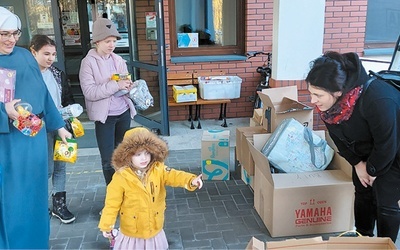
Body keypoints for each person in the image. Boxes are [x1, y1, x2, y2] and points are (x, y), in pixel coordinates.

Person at [305, 51, 400, 242]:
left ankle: (385, 245)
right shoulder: (332, 107)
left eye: (318, 95)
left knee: (386, 199)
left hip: (394, 149)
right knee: (363, 190)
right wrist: (358, 164)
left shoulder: (378, 99)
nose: (312, 100)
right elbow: (338, 138)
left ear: (338, 91)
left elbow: (386, 144)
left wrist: (373, 170)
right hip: (365, 151)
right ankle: (363, 238)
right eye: (311, 93)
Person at [0, 7, 71, 249]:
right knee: (12, 197)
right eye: (4, 34)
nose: (11, 39)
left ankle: (38, 242)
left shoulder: (24, 56)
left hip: (35, 136)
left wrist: (59, 126)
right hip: (8, 141)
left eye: (15, 33)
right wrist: (3, 112)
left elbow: (43, 93)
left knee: (35, 194)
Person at [98, 127, 203, 249]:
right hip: (132, 229)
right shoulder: (121, 177)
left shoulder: (158, 169)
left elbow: (174, 175)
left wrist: (190, 180)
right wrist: (106, 224)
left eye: (147, 153)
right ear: (127, 156)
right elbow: (111, 203)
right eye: (138, 154)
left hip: (154, 225)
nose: (144, 158)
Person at [79, 18, 136, 186]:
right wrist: (115, 85)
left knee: (124, 157)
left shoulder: (118, 60)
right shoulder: (88, 62)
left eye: (114, 41)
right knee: (108, 159)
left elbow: (123, 83)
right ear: (97, 41)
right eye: (107, 41)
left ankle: (125, 193)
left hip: (123, 112)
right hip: (105, 117)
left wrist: (128, 86)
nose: (112, 45)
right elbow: (89, 92)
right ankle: (113, 196)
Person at [30, 34, 76, 224]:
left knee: (60, 165)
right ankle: (37, 205)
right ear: (33, 52)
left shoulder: (57, 74)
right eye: (46, 54)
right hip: (38, 128)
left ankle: (59, 205)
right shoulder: (28, 75)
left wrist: (71, 114)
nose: (50, 58)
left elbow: (67, 98)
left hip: (60, 125)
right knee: (46, 168)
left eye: (53, 54)